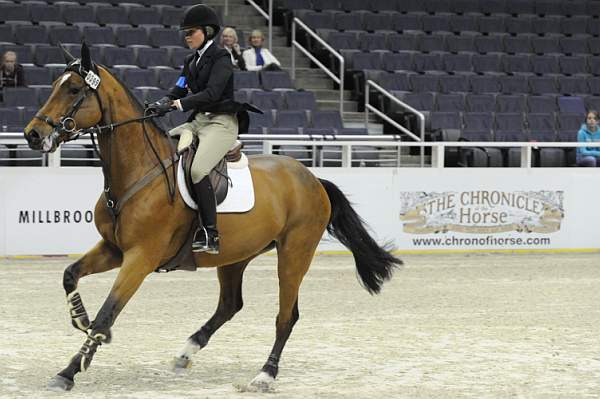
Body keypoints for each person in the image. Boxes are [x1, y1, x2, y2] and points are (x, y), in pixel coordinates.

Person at [146, 4, 257, 254]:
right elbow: (180, 87)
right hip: (199, 122)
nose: (186, 36)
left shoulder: (221, 57)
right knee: (160, 142)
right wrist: (161, 103)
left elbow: (212, 93)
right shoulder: (190, 61)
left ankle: (210, 232)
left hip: (221, 123)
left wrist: (178, 104)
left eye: (191, 32)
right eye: (185, 32)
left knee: (197, 170)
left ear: (207, 32)